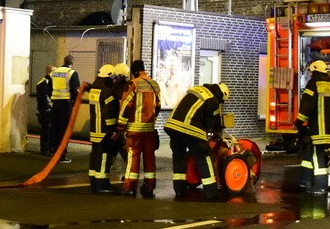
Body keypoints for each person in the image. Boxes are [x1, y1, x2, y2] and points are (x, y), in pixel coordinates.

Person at [164, 83, 229, 201]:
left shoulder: (196, 89)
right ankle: (211, 192)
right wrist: (214, 134)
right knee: (204, 156)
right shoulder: (213, 100)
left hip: (172, 125)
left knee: (179, 157)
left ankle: (179, 190)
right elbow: (209, 125)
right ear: (221, 96)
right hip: (190, 128)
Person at [294, 60, 330, 192]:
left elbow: (306, 107)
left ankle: (321, 186)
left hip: (316, 129)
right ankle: (305, 180)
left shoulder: (313, 85)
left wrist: (297, 123)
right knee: (308, 155)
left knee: (317, 156)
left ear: (314, 72)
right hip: (329, 130)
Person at [116, 60, 161, 198]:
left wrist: (120, 126)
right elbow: (158, 106)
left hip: (135, 130)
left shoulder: (133, 84)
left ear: (134, 71)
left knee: (133, 157)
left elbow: (126, 106)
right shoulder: (154, 84)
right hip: (149, 130)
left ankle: (129, 186)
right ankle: (149, 185)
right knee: (149, 156)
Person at [86, 64, 120, 192]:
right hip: (105, 130)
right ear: (109, 77)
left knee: (95, 155)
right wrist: (113, 130)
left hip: (95, 130)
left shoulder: (94, 90)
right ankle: (102, 183)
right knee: (105, 156)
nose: (114, 81)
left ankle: (94, 182)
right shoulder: (107, 92)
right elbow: (109, 113)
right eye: (113, 79)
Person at [49, 55, 80, 163]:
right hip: (66, 105)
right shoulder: (72, 73)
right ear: (72, 63)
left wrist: (53, 98)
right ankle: (62, 155)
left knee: (55, 129)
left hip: (55, 104)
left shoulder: (54, 72)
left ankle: (54, 152)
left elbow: (49, 88)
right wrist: (74, 103)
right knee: (64, 131)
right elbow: (75, 91)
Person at [36, 65, 55, 156]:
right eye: (54, 72)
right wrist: (47, 108)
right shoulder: (44, 82)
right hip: (45, 110)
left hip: (51, 110)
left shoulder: (51, 82)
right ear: (49, 72)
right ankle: (44, 149)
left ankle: (50, 148)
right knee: (46, 131)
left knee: (51, 130)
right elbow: (42, 97)